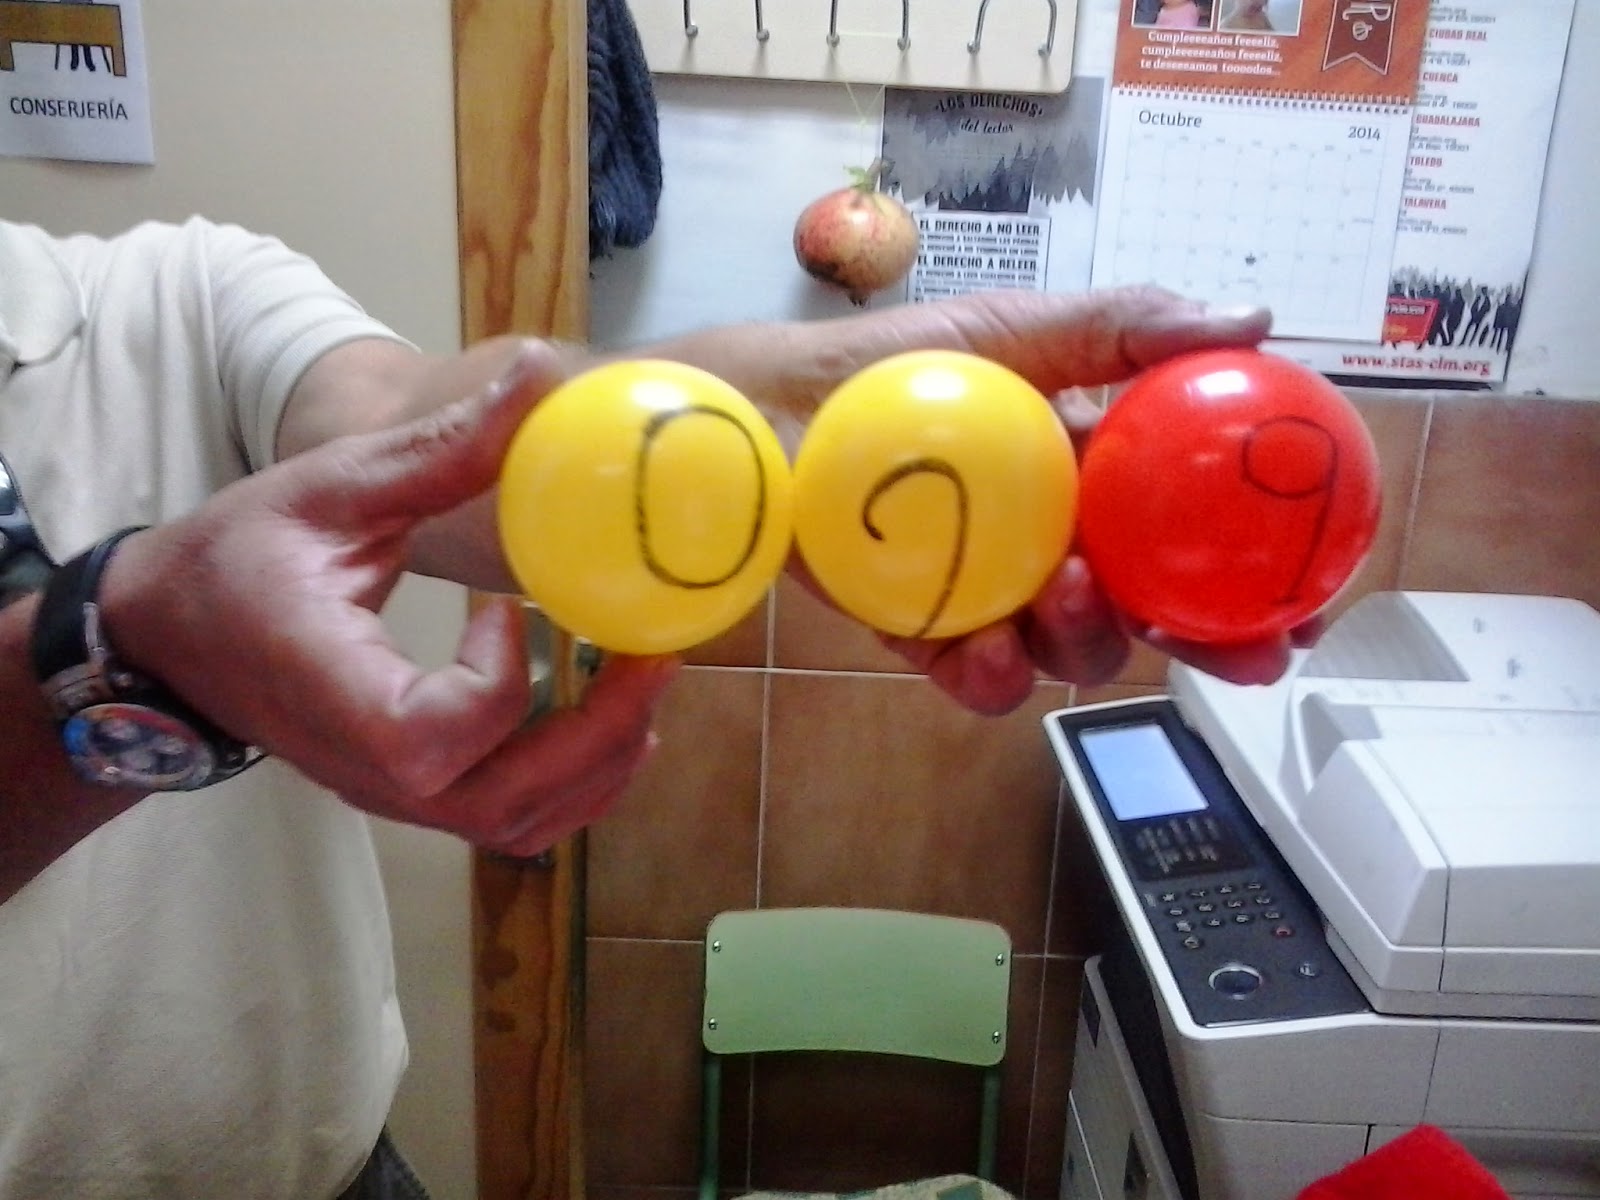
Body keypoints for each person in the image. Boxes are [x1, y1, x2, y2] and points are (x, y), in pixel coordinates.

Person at [0, 215, 1293, 1199]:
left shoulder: (167, 290)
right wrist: (124, 654)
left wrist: (786, 397)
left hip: (333, 1169)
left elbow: (413, 433)